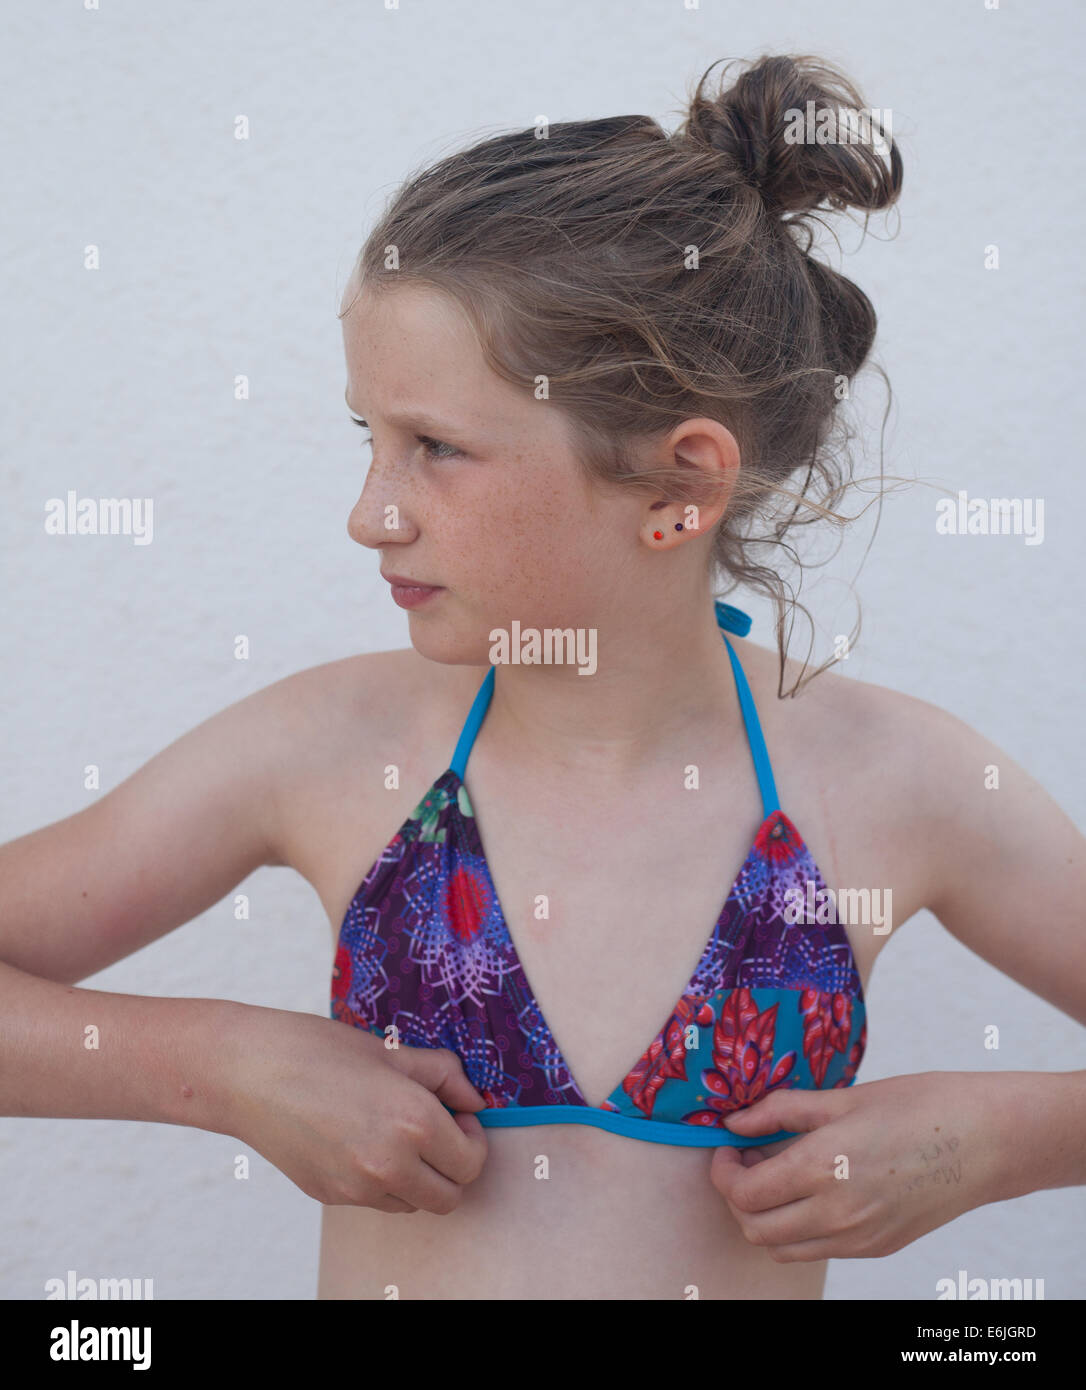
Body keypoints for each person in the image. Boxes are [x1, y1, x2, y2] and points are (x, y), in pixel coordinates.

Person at [3, 53, 1083, 1302]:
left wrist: (999, 1142)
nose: (371, 514)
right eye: (372, 438)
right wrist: (224, 1067)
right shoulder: (326, 748)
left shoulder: (904, 782)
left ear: (683, 484)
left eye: (436, 450)